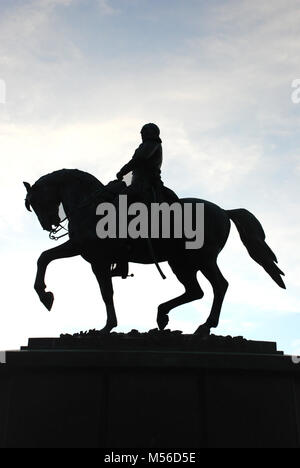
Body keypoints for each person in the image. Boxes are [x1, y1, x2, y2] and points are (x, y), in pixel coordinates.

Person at [112, 123, 178, 279]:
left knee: (117, 206)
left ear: (151, 133)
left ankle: (122, 259)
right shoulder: (148, 144)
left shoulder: (152, 144)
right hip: (138, 183)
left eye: (144, 132)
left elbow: (139, 159)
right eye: (141, 132)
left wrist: (123, 170)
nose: (141, 135)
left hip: (144, 186)